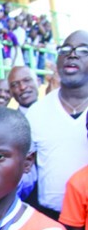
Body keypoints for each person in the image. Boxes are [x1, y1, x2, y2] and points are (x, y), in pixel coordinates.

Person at [26, 30, 88, 220]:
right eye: (65, 49)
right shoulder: (36, 112)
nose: (72, 54)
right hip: (51, 219)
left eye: (83, 50)